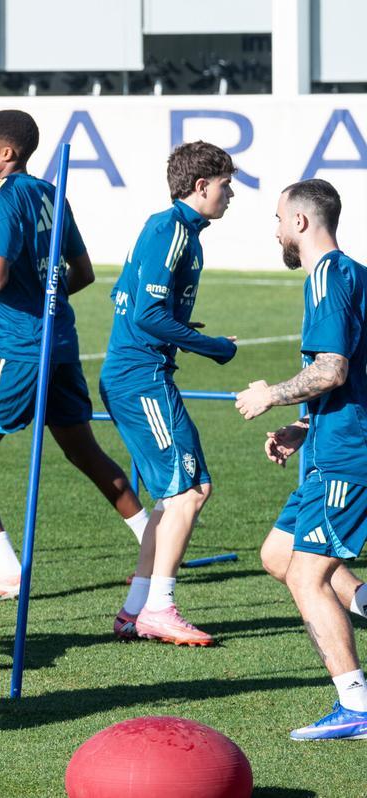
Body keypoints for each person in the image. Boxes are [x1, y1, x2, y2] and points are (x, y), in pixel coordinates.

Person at [0, 109, 148, 607]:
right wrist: (47, 300)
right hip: (60, 346)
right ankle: (153, 542)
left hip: (15, 350)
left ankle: (7, 569)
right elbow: (84, 272)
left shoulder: (2, 197)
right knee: (85, 452)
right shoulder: (52, 193)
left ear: (7, 152)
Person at [235, 178, 367, 740]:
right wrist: (304, 423)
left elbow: (333, 368)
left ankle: (357, 706)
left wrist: (271, 395)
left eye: (278, 219)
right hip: (328, 442)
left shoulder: (327, 277)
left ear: (301, 223)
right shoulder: (352, 274)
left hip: (346, 455)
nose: (276, 231)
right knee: (278, 555)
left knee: (307, 577)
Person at [99, 141, 238, 646]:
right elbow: (144, 315)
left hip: (139, 372)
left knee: (176, 494)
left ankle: (135, 610)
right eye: (225, 185)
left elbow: (134, 299)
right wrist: (213, 347)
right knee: (189, 491)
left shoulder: (175, 229)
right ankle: (159, 608)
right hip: (142, 378)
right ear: (201, 186)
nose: (231, 195)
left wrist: (181, 327)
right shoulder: (172, 230)